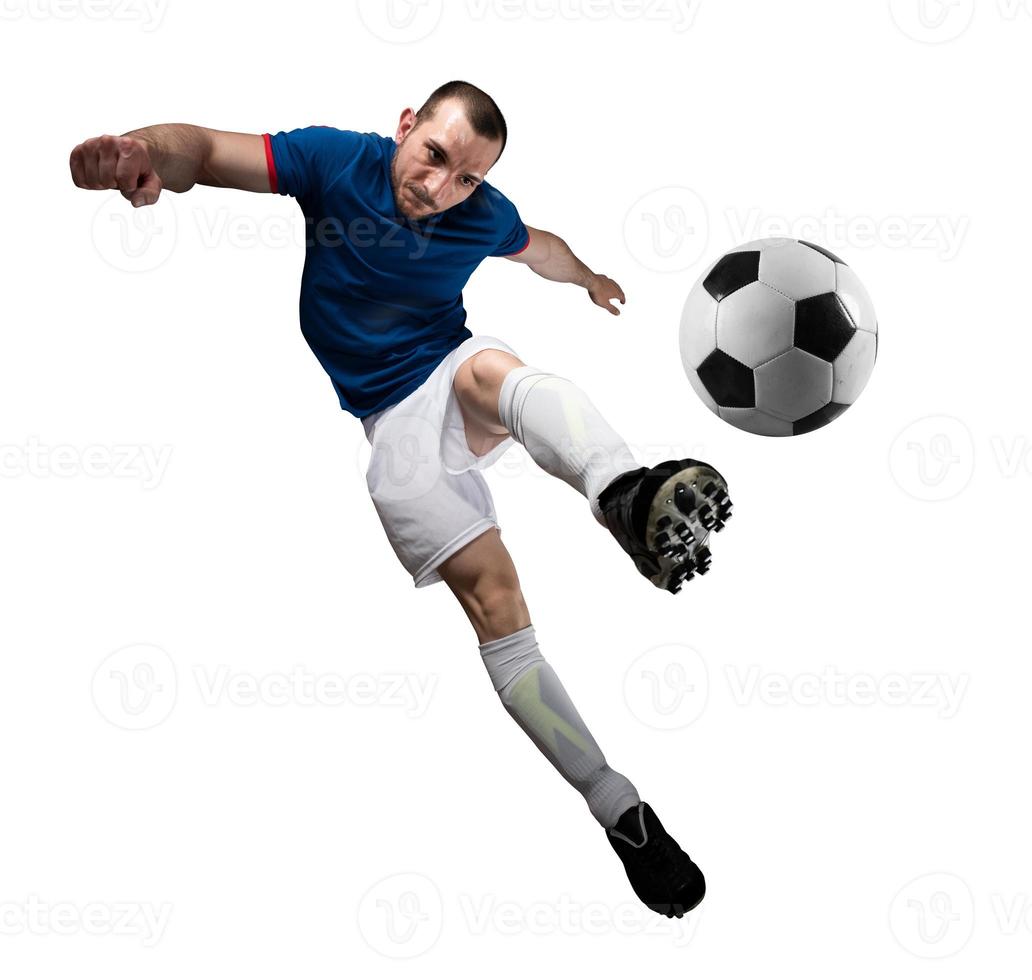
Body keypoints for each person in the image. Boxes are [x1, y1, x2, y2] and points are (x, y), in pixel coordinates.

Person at [69, 79, 733, 918]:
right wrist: (138, 151)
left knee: (497, 371)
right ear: (405, 127)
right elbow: (200, 149)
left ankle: (625, 492)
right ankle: (619, 809)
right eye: (434, 157)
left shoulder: (482, 213)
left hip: (449, 371)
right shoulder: (336, 161)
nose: (439, 187)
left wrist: (589, 277)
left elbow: (541, 248)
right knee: (498, 610)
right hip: (394, 431)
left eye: (466, 178)